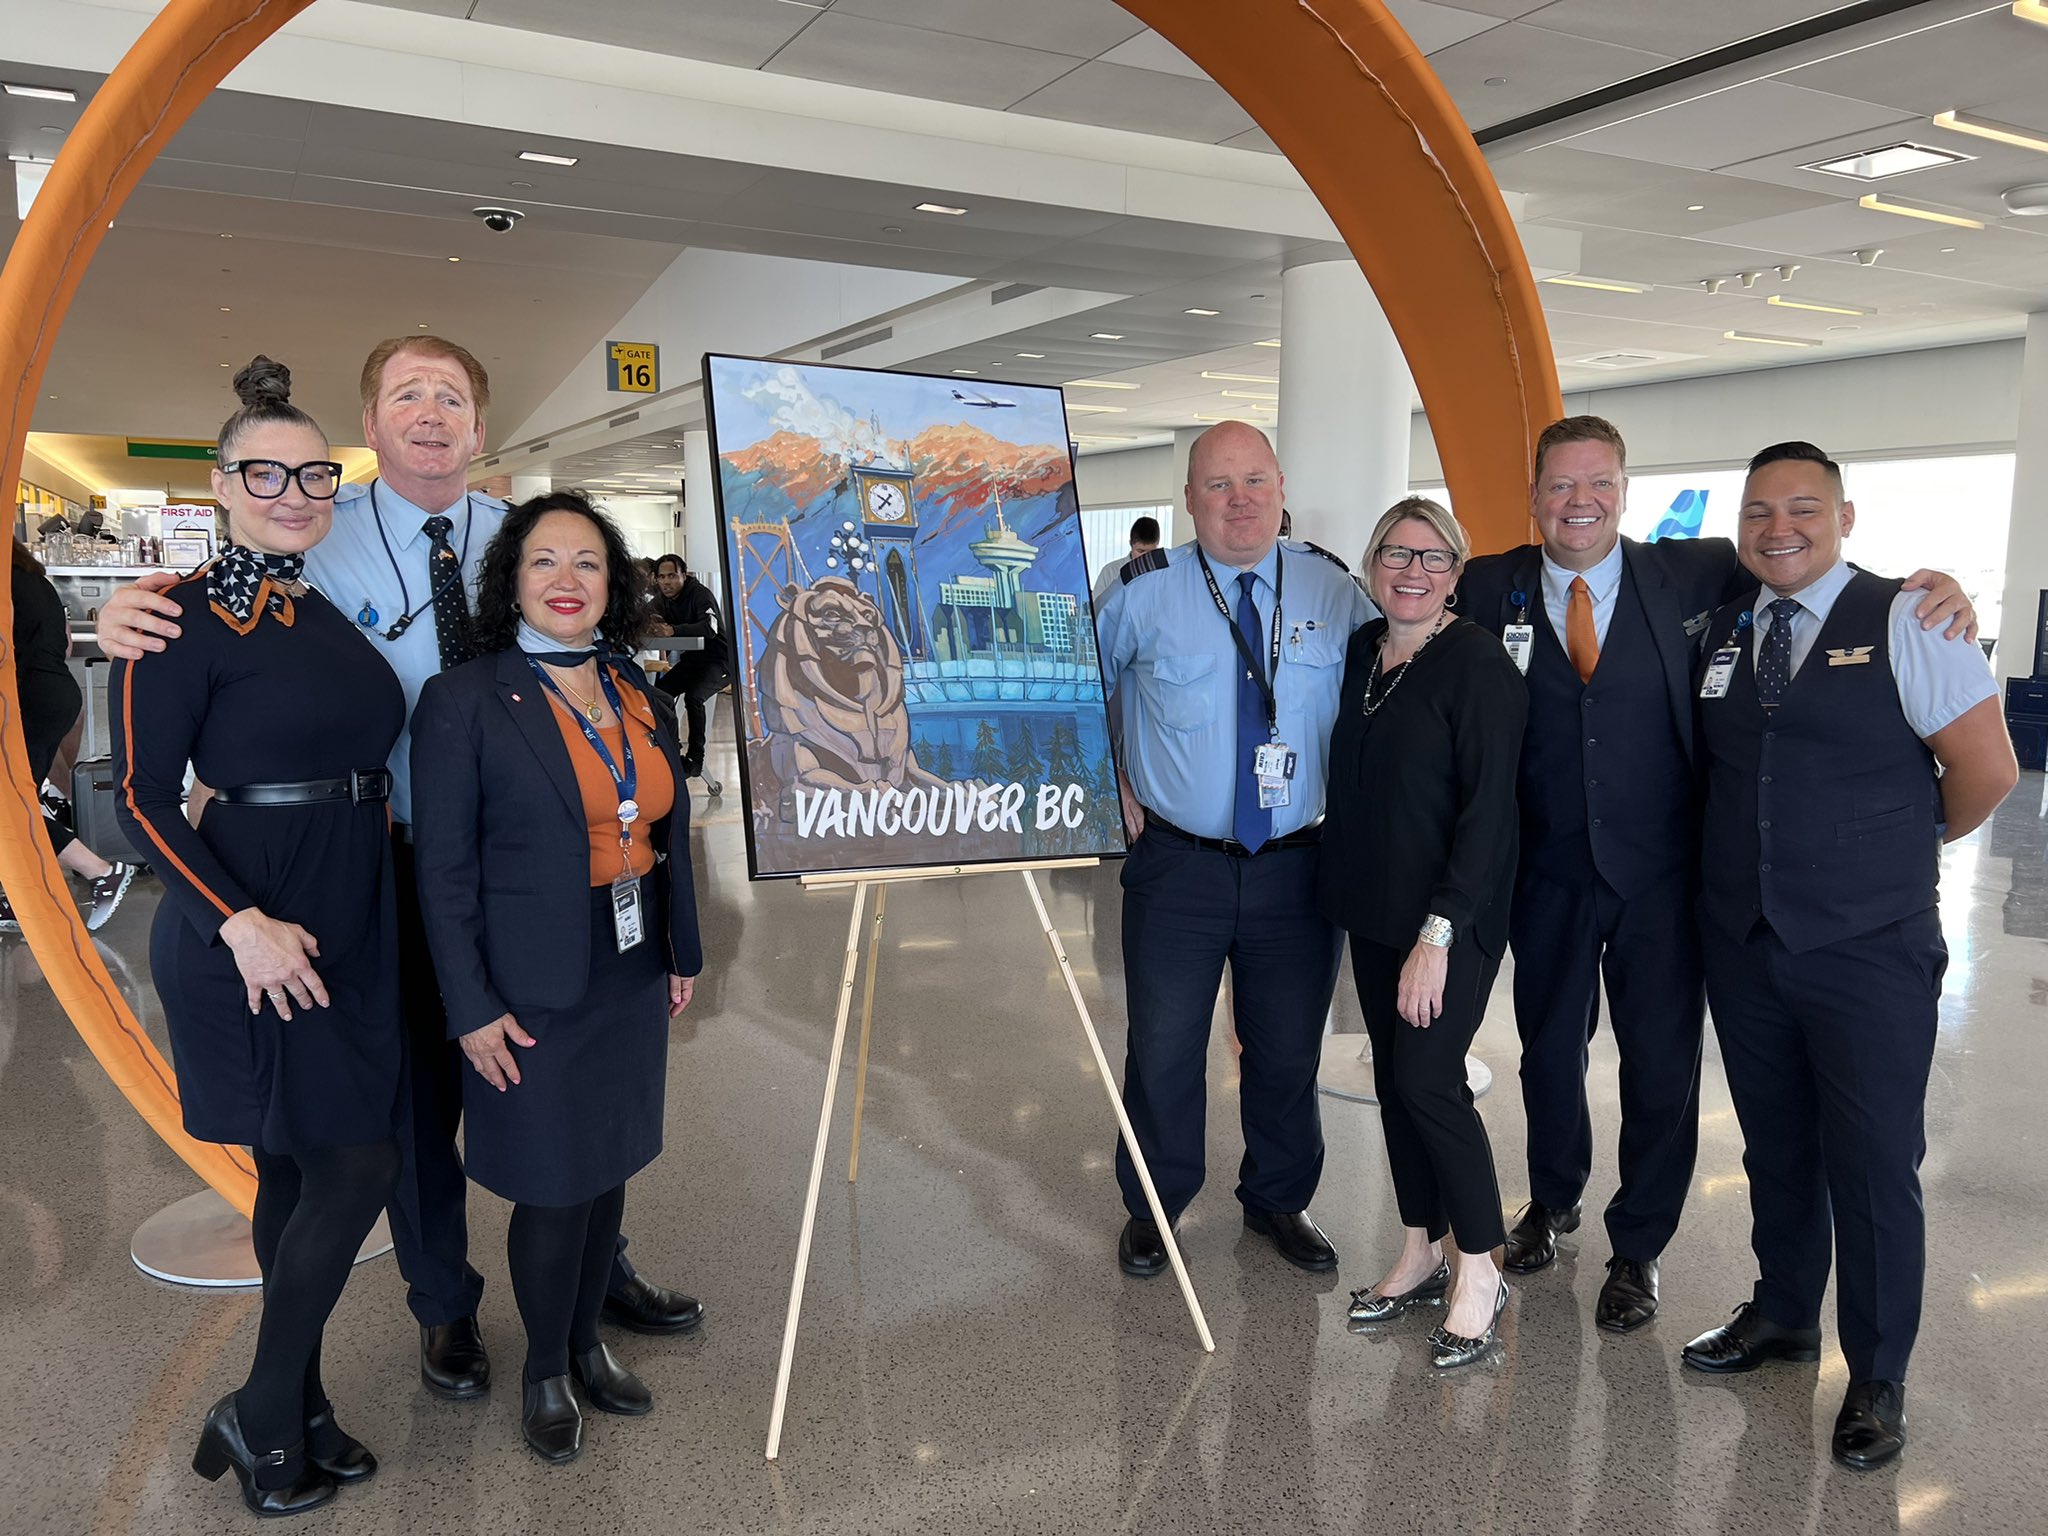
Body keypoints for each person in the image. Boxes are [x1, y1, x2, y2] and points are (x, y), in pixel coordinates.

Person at [94, 335, 698, 1405]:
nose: (431, 413)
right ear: (367, 426)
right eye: (406, 395)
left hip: (537, 872)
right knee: (415, 1109)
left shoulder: (516, 540)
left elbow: (578, 640)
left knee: (577, 1073)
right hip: (389, 863)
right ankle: (443, 1305)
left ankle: (595, 1271)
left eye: (453, 397)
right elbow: (219, 593)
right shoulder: (314, 536)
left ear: (478, 428)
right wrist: (125, 613)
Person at [1458, 415, 1977, 1333]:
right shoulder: (1488, 583)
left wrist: (1933, 589)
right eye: (1561, 486)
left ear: (1625, 491)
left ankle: (1639, 1246)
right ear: (1534, 497)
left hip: (1669, 877)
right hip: (1546, 875)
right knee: (1547, 1056)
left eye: (1600, 484)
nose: (1580, 502)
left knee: (1661, 1067)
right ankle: (1552, 1199)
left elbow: (1810, 570)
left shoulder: (1694, 572)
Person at [1680, 441, 2014, 1471]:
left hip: (1867, 949)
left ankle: (1875, 1373)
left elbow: (1985, 773)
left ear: (1844, 515)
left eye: (1801, 509)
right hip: (1747, 942)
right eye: (1758, 512)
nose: (1778, 528)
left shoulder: (1912, 619)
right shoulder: (1726, 626)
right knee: (1774, 1146)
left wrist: (1888, 853)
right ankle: (1783, 1313)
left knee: (1872, 1165)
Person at [112, 360, 404, 1518]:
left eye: (314, 471)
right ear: (222, 482)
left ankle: (302, 1411)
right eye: (265, 471)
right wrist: (239, 923)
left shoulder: (317, 599)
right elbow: (137, 796)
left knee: (299, 1165)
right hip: (250, 914)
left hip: (351, 897)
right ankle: (264, 1407)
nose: (293, 490)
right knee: (353, 1164)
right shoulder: (174, 613)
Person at [409, 492, 703, 1463]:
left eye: (587, 561)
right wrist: (471, 1007)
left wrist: (678, 950)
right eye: (544, 562)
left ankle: (585, 1343)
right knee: (550, 1183)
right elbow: (442, 873)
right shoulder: (465, 700)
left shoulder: (631, 687)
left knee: (608, 1163)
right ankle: (543, 1366)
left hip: (626, 962)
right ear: (511, 581)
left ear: (611, 582)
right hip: (527, 977)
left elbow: (665, 834)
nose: (567, 580)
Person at [1093, 420, 1370, 1278]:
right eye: (1218, 485)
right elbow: (1079, 698)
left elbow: (1390, 690)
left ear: (1282, 487)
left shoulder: (1334, 591)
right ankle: (1155, 1202)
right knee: (1165, 1044)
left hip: (1299, 864)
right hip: (1177, 863)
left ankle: (1279, 1198)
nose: (1239, 500)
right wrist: (1116, 788)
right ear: (1188, 501)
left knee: (1286, 1047)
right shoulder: (1142, 590)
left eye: (1254, 481)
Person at [1320, 498, 1525, 1368]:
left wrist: (1438, 933)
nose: (1413, 571)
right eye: (1397, 554)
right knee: (1399, 1088)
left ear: (1457, 574)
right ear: (1373, 565)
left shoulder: (1479, 667)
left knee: (1433, 1083)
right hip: (1375, 913)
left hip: (1450, 920)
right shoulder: (1367, 652)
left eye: (1434, 558)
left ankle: (1480, 1270)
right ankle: (1421, 1248)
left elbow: (1488, 818)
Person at [5, 537, 136, 931]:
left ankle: (101, 871)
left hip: (23, 697)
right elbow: (62, 641)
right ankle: (16, 894)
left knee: (11, 804)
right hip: (55, 691)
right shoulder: (36, 578)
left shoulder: (4, 581)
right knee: (18, 798)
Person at [648, 554, 729, 780]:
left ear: (684, 575)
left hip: (720, 661)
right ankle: (671, 750)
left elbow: (709, 627)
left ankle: (695, 760)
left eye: (672, 576)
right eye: (662, 577)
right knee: (657, 695)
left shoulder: (700, 594)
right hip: (693, 662)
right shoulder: (661, 599)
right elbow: (640, 616)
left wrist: (674, 630)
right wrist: (648, 621)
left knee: (694, 697)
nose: (667, 582)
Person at [1091, 514, 1161, 606]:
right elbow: (1096, 608)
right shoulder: (1111, 571)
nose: (1145, 557)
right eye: (1140, 551)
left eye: (1151, 552)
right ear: (1131, 544)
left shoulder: (1163, 574)